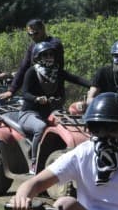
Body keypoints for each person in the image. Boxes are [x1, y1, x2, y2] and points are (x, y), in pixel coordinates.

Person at [18, 40, 90, 173]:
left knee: (72, 123)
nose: (49, 58)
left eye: (51, 55)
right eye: (45, 55)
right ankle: (34, 163)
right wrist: (37, 99)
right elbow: (25, 93)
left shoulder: (57, 72)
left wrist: (94, 86)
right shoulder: (32, 72)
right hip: (29, 113)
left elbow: (76, 79)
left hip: (51, 112)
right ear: (38, 57)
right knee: (40, 127)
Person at [0, 18, 64, 101]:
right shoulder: (33, 47)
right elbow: (24, 67)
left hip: (53, 90)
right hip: (36, 91)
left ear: (43, 30)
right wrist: (11, 90)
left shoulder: (54, 44)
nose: (33, 37)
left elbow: (57, 69)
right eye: (30, 34)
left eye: (35, 33)